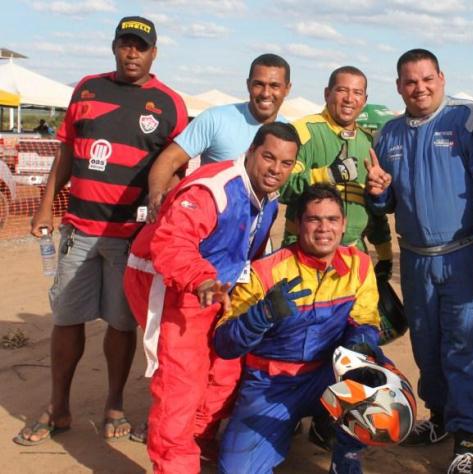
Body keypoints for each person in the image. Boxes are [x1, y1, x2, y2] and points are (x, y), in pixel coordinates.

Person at [14, 15, 187, 447]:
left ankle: (114, 405)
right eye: (126, 44)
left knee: (120, 323)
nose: (133, 53)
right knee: (67, 319)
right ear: (114, 47)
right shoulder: (87, 89)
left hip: (131, 237)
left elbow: (178, 169)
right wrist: (43, 210)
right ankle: (58, 406)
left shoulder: (169, 103)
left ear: (154, 53)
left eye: (141, 47)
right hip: (78, 230)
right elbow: (66, 153)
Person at [122, 122, 299, 473]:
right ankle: (174, 463)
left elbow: (249, 256)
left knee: (226, 371)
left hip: (219, 291)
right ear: (250, 152)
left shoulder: (268, 202)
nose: (275, 169)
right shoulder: (212, 189)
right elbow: (172, 243)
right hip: (174, 287)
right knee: (182, 385)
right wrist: (201, 280)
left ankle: (198, 440)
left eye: (285, 163)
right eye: (268, 157)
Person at [365, 48, 473, 474]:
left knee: (469, 347)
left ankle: (467, 440)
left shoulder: (467, 122)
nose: (419, 88)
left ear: (441, 78)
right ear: (399, 86)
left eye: (427, 79)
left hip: (464, 256)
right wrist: (377, 192)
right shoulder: (387, 135)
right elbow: (387, 201)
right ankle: (440, 419)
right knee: (428, 347)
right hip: (416, 260)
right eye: (410, 81)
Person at [213, 183, 383, 473]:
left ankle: (346, 460)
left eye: (331, 219)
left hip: (325, 376)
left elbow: (366, 321)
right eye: (313, 219)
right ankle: (288, 426)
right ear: (297, 224)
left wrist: (359, 346)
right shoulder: (264, 272)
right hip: (271, 386)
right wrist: (261, 314)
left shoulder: (360, 265)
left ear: (343, 225)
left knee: (377, 378)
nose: (323, 228)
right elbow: (224, 344)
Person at [279, 65, 393, 448]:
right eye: (342, 90)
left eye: (357, 92)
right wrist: (323, 173)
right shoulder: (305, 131)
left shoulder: (365, 142)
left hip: (352, 263)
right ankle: (288, 415)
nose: (349, 99)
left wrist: (384, 255)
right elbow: (282, 186)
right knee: (296, 340)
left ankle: (330, 420)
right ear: (327, 92)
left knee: (347, 346)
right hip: (302, 259)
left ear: (364, 98)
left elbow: (372, 211)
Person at [146, 53, 292, 222]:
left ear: (287, 89)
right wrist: (156, 194)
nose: (266, 93)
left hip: (256, 230)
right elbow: (169, 159)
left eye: (274, 86)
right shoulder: (215, 119)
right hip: (209, 226)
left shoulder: (287, 132)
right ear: (248, 85)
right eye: (259, 84)